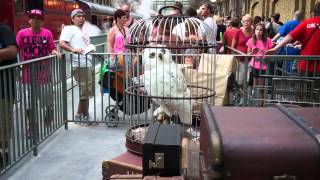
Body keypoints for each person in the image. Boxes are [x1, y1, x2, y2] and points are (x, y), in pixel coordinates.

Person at [16, 9, 59, 134]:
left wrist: (56, 53)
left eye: (38, 19)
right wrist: (17, 69)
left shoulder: (47, 33)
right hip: (26, 76)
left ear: (42, 22)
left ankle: (48, 116)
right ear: (29, 20)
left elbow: (52, 48)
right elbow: (16, 50)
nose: (35, 21)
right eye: (33, 18)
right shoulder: (22, 34)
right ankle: (32, 126)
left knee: (48, 101)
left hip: (44, 75)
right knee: (29, 104)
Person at [59, 9, 96, 125]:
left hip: (87, 63)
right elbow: (62, 43)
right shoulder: (69, 29)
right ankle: (82, 116)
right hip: (79, 64)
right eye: (78, 16)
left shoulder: (82, 31)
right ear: (72, 18)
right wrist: (73, 50)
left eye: (83, 16)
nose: (81, 18)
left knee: (87, 91)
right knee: (85, 91)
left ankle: (82, 114)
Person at [266, 2, 320, 75]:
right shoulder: (302, 22)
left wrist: (275, 48)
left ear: (313, 12)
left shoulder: (306, 23)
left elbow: (290, 36)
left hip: (305, 65)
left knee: (303, 84)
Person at [0, 23, 18, 169]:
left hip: (4, 88)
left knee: (4, 122)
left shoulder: (3, 30)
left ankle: (3, 153)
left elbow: (12, 51)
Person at [246, 23, 273, 106]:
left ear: (263, 31)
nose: (259, 31)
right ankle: (252, 103)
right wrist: (252, 53)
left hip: (263, 66)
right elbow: (248, 54)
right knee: (253, 86)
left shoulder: (268, 40)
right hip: (253, 66)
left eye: (261, 30)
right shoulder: (251, 40)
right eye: (257, 29)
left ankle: (261, 104)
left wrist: (266, 55)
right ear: (254, 31)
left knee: (261, 87)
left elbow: (271, 52)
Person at [231, 14, 253, 86]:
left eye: (248, 21)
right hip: (239, 60)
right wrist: (233, 56)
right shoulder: (238, 32)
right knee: (240, 80)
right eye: (244, 21)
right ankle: (240, 95)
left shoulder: (254, 33)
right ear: (242, 22)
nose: (246, 22)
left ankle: (246, 95)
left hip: (251, 60)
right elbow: (233, 45)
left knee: (248, 81)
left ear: (251, 22)